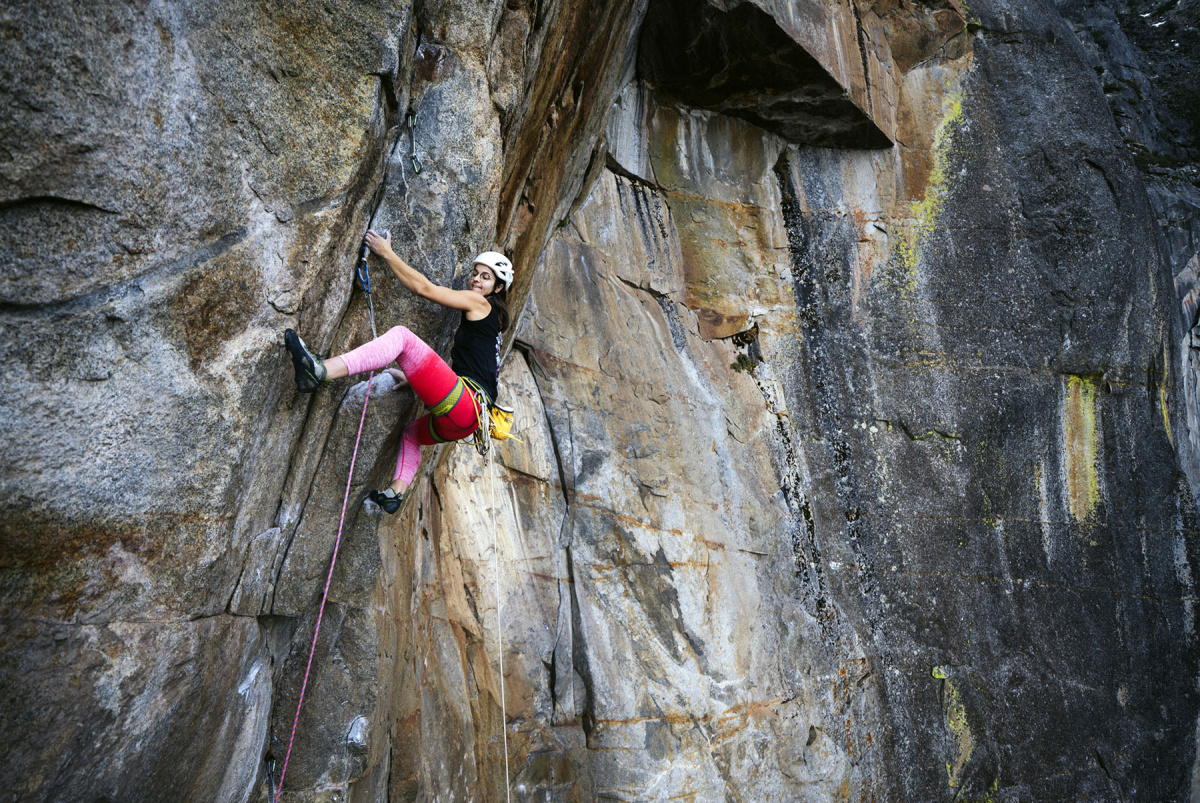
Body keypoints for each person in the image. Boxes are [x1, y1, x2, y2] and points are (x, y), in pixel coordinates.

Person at [284, 230, 512, 513]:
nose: (476, 280)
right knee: (411, 435)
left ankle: (319, 371)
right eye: (475, 273)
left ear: (498, 289)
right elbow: (472, 369)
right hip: (467, 421)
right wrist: (416, 378)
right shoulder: (493, 325)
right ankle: (395, 493)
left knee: (402, 338)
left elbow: (425, 289)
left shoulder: (480, 303)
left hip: (464, 403)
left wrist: (387, 253)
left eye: (485, 277)